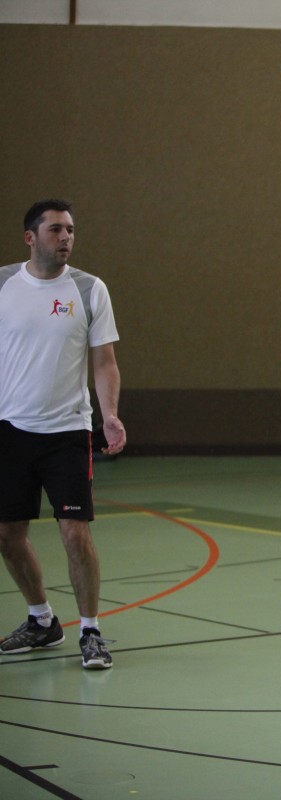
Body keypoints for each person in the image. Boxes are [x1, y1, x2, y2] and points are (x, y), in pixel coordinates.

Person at [0, 199, 126, 670]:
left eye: (70, 229)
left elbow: (104, 361)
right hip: (10, 429)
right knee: (7, 534)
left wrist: (109, 415)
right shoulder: (4, 285)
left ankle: (90, 630)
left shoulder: (90, 289)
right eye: (55, 229)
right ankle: (41, 620)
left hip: (67, 432)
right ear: (30, 237)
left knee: (74, 533)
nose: (66, 237)